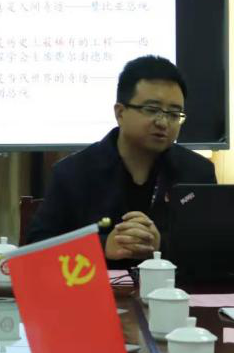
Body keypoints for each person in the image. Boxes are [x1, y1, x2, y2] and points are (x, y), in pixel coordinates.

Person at [26, 55, 217, 267]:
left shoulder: (197, 172)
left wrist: (160, 245)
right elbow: (35, 250)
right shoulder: (72, 173)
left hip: (173, 287)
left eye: (173, 114)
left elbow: (213, 248)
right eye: (151, 110)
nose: (163, 122)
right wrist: (103, 247)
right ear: (120, 113)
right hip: (97, 285)